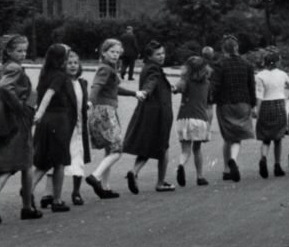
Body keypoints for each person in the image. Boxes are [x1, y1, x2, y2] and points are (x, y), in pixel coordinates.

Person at [0, 34, 42, 224]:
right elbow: (4, 88)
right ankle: (26, 207)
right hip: (18, 120)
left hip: (6, 119)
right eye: (19, 50)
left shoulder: (3, 68)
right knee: (25, 161)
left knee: (9, 164)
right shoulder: (14, 68)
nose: (23, 54)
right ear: (9, 51)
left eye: (25, 50)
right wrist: (21, 107)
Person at [85, 38, 142, 199]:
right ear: (104, 52)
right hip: (105, 111)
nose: (115, 55)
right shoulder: (105, 69)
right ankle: (95, 177)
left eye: (118, 52)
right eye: (112, 52)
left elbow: (114, 88)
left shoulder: (110, 68)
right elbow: (97, 86)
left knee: (109, 149)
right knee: (117, 150)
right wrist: (90, 101)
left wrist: (134, 93)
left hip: (104, 110)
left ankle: (105, 187)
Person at [123, 40, 176, 193]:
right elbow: (151, 83)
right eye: (158, 54)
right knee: (163, 147)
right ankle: (161, 182)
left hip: (147, 111)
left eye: (163, 53)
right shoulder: (154, 69)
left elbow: (153, 82)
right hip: (159, 113)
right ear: (150, 56)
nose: (162, 56)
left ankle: (134, 172)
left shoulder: (148, 67)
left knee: (147, 146)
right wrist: (146, 91)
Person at [29, 44, 77, 212]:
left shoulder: (45, 74)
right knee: (59, 161)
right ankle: (57, 200)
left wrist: (39, 115)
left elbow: (41, 94)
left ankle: (28, 188)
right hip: (57, 120)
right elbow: (50, 94)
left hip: (46, 122)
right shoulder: (60, 76)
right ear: (61, 59)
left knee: (44, 160)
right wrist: (39, 113)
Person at [41, 50, 91, 207]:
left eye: (76, 63)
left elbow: (83, 102)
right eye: (69, 63)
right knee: (55, 161)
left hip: (78, 127)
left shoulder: (82, 83)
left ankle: (76, 191)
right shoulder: (61, 82)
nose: (73, 66)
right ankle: (48, 193)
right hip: (63, 127)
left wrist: (88, 105)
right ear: (63, 65)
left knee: (78, 158)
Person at [210, 34, 256, 182]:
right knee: (237, 137)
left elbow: (215, 85)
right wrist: (253, 104)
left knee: (227, 136)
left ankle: (226, 169)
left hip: (225, 104)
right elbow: (251, 86)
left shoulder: (219, 64)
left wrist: (209, 100)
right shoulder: (247, 64)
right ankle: (233, 160)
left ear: (223, 48)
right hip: (243, 103)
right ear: (237, 48)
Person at [253, 48, 289, 178]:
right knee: (278, 138)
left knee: (266, 138)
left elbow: (259, 94)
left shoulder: (260, 76)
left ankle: (263, 158)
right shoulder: (282, 74)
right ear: (277, 62)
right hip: (279, 106)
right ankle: (277, 165)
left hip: (265, 106)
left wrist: (257, 110)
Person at [172, 54, 213, 187]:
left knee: (185, 150)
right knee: (197, 148)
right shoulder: (207, 83)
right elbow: (208, 104)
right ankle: (200, 176)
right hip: (200, 119)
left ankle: (180, 165)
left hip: (184, 118)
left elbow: (175, 89)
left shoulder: (185, 81)